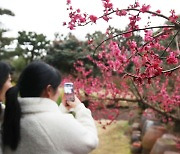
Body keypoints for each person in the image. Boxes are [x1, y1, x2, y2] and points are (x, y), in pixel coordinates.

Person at [2, 61, 99, 154]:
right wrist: (79, 108)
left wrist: (63, 109)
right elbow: (90, 141)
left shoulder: (9, 118)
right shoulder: (60, 123)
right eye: (57, 88)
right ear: (48, 90)